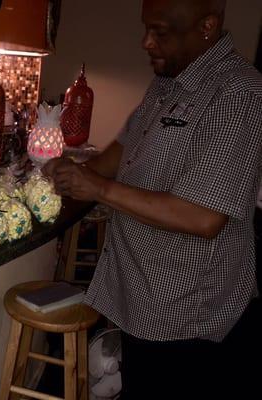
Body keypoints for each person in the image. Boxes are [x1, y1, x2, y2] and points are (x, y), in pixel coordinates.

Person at [43, 0, 262, 399]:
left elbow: (204, 218)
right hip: (140, 292)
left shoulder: (239, 94)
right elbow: (123, 150)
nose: (146, 42)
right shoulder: (168, 79)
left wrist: (97, 188)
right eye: (147, 28)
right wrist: (73, 168)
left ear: (207, 26)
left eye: (160, 32)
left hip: (187, 314)